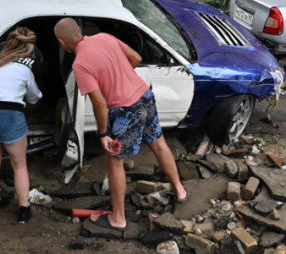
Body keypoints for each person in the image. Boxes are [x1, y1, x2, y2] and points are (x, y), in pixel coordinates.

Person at [54, 17, 187, 230]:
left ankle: (118, 218)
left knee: (115, 160)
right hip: (144, 95)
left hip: (126, 110)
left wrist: (103, 133)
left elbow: (99, 102)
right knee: (158, 143)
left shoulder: (79, 64)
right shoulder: (104, 37)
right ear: (80, 30)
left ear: (62, 42)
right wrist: (122, 78)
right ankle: (180, 190)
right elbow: (136, 57)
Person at [0, 26, 43, 223]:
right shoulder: (24, 69)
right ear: (29, 48)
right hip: (8, 114)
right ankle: (23, 210)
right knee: (19, 164)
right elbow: (34, 96)